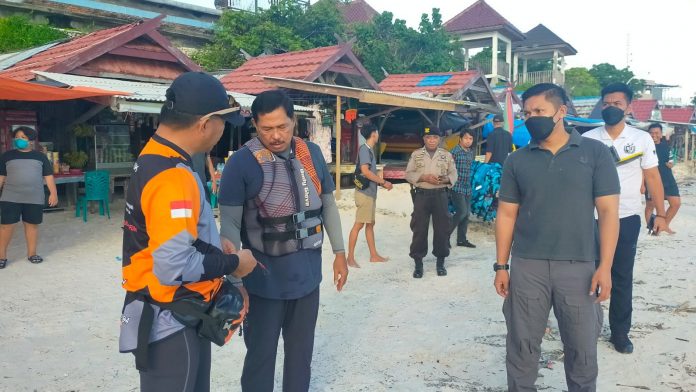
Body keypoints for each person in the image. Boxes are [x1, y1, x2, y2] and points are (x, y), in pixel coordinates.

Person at [119, 72, 257, 392]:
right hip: (171, 320)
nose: (223, 131)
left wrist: (210, 245)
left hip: (171, 311)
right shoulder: (173, 176)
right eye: (223, 122)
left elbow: (168, 236)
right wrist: (236, 263)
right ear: (205, 123)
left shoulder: (155, 156)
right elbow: (174, 266)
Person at [217, 89, 348, 392]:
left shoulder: (311, 154)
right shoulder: (241, 162)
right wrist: (235, 282)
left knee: (301, 357)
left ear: (294, 122)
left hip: (307, 279)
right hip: (263, 284)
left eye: (282, 127)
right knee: (261, 357)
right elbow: (230, 227)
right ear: (256, 126)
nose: (276, 135)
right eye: (267, 128)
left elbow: (327, 205)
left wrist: (339, 252)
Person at [494, 83, 620, 392]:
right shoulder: (517, 160)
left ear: (561, 112)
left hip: (579, 267)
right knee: (522, 346)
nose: (532, 117)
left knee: (581, 348)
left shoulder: (595, 154)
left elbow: (607, 213)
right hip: (528, 266)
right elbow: (507, 214)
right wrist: (501, 266)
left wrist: (605, 267)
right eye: (527, 113)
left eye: (539, 111)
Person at [583, 82, 670, 354]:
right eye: (606, 103)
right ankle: (584, 328)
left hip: (627, 217)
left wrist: (661, 213)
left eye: (617, 104)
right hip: (589, 218)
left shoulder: (641, 139)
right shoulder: (587, 139)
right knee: (584, 274)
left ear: (628, 107)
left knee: (621, 277)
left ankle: (620, 333)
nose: (611, 108)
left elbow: (653, 177)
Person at [0, 126, 58, 269]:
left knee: (32, 226)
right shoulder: (7, 156)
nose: (19, 140)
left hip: (34, 197)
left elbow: (48, 177)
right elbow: (1, 177)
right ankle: (1, 256)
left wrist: (53, 193)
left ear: (31, 141)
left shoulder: (40, 157)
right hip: (10, 197)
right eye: (17, 137)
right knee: (6, 227)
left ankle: (32, 254)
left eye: (23, 137)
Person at [405, 126, 457, 278]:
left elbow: (453, 173)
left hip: (440, 195)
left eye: (434, 137)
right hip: (421, 196)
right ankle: (418, 263)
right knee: (419, 228)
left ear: (439, 139)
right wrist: (424, 177)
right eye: (428, 137)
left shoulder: (446, 155)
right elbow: (408, 174)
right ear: (424, 139)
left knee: (442, 229)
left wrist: (446, 179)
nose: (432, 140)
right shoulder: (416, 155)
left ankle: (440, 262)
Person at [346, 122, 393, 268]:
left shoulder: (369, 150)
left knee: (370, 224)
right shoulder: (365, 150)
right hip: (364, 194)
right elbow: (365, 171)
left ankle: (373, 255)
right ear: (374, 134)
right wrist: (383, 182)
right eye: (377, 132)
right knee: (359, 224)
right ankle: (350, 258)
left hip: (369, 193)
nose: (378, 135)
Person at [644, 123, 680, 233]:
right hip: (651, 180)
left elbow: (670, 159)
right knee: (651, 205)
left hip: (668, 179)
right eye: (651, 133)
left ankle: (663, 225)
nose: (653, 135)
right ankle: (652, 228)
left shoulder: (665, 145)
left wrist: (671, 163)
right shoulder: (645, 147)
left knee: (676, 203)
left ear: (661, 134)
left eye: (656, 133)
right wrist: (642, 184)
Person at [450, 128, 476, 248]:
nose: (468, 141)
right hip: (456, 186)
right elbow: (447, 169)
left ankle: (461, 240)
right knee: (461, 212)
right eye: (466, 138)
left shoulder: (471, 152)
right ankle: (444, 236)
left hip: (467, 187)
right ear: (460, 139)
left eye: (470, 138)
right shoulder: (454, 152)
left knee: (466, 214)